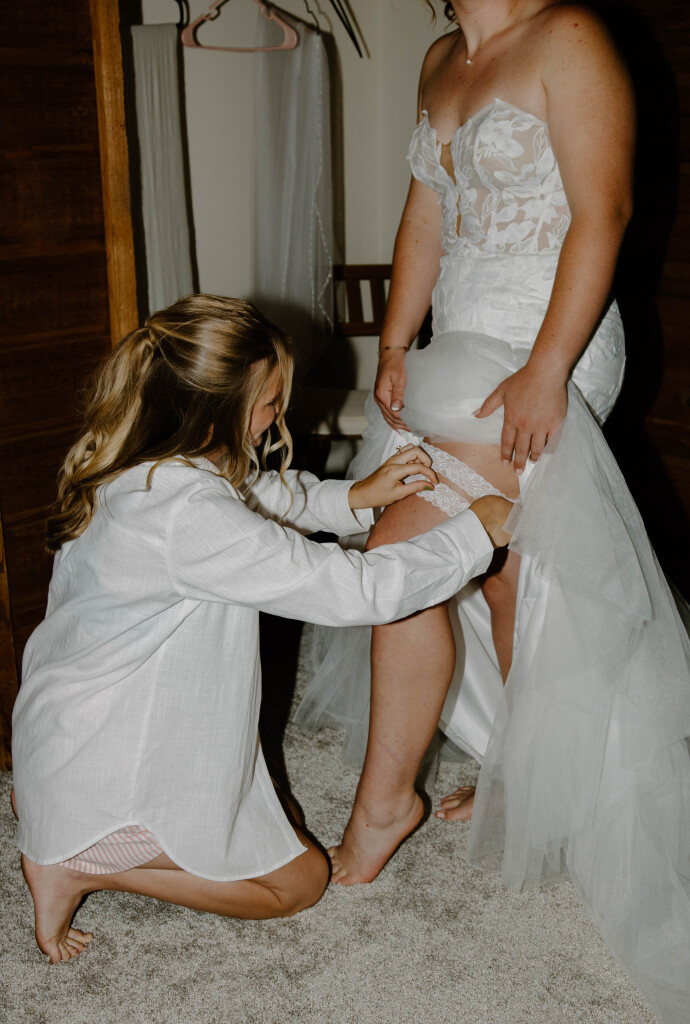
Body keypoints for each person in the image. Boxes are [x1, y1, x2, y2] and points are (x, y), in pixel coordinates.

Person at [295, 3, 690, 1021]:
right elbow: (427, 215)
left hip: (545, 342)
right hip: (454, 347)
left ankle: (384, 807)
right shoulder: (440, 55)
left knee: (404, 547)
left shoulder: (569, 37)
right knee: (510, 574)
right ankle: (523, 777)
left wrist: (548, 370)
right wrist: (394, 343)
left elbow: (604, 211)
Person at [11, 293, 514, 965]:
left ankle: (55, 815)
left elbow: (259, 495)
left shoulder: (148, 460)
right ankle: (77, 863)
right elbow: (356, 591)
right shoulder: (188, 519)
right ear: (214, 411)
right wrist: (472, 533)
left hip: (66, 737)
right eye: (271, 403)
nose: (279, 417)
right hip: (111, 763)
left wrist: (355, 497)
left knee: (282, 816)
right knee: (299, 882)